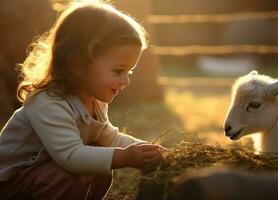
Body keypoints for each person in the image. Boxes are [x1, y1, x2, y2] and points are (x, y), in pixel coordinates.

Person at [0, 0, 165, 199]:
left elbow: (111, 139)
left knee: (98, 160)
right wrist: (125, 157)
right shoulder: (48, 101)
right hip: (11, 184)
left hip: (41, 176)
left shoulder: (94, 101)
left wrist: (152, 151)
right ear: (78, 63)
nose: (126, 81)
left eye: (129, 71)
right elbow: (70, 156)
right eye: (118, 70)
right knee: (68, 173)